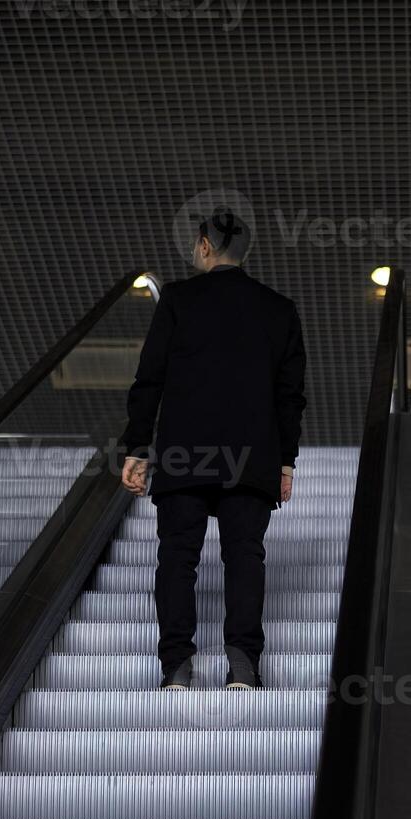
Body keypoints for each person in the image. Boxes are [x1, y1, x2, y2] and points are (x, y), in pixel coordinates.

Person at [119, 209, 307, 690]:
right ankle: (243, 665)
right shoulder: (278, 309)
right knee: (245, 555)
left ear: (204, 246)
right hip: (252, 456)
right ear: (245, 253)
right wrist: (286, 461)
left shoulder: (178, 301)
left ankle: (177, 668)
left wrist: (137, 448)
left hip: (185, 455)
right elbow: (291, 395)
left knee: (177, 557)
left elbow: (150, 379)